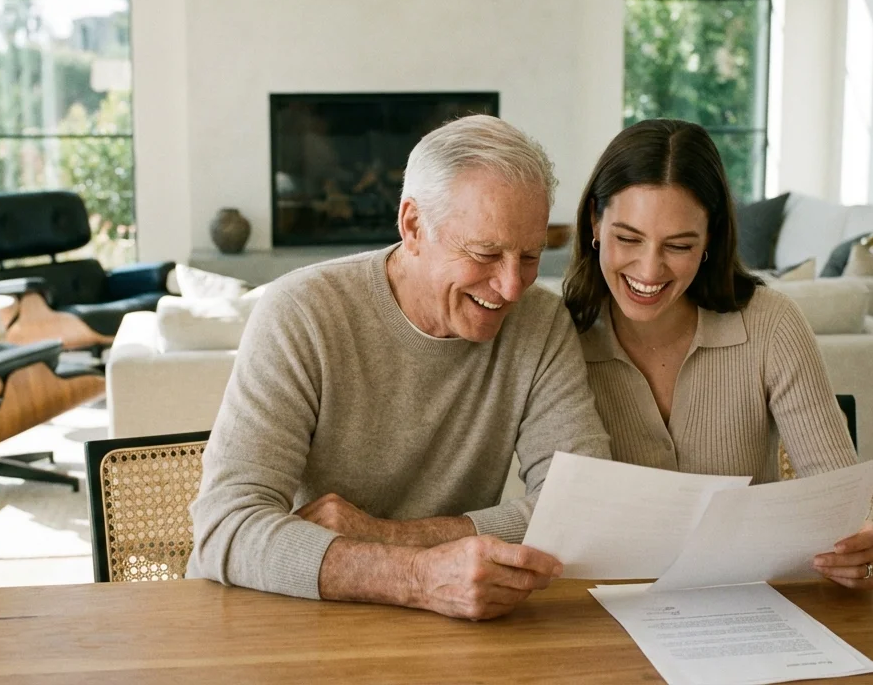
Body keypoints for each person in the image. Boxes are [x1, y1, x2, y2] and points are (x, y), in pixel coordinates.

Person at [189, 115, 613, 619]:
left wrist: (391, 537)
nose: (512, 286)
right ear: (413, 227)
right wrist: (416, 576)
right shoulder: (301, 312)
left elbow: (585, 501)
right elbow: (225, 527)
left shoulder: (539, 322)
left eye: (529, 256)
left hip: (454, 627)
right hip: (299, 616)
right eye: (485, 253)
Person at [563, 118, 873, 590]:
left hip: (742, 600)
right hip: (603, 605)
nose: (649, 269)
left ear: (711, 239)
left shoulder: (771, 324)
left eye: (678, 245)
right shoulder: (561, 336)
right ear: (595, 221)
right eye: (628, 238)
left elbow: (845, 491)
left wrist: (866, 534)